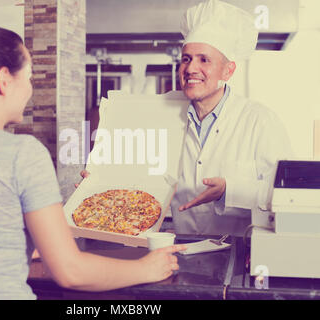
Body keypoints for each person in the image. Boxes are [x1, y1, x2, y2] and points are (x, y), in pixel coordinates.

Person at [0, 26, 185, 300]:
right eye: (28, 77)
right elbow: (70, 272)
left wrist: (26, 244)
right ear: (4, 80)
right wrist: (146, 268)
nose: (30, 89)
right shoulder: (22, 153)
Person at [79, 0, 293, 237]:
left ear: (228, 71)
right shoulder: (163, 112)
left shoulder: (260, 121)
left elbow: (287, 194)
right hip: (182, 250)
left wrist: (229, 190)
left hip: (241, 254)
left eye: (204, 59)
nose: (191, 68)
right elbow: (135, 174)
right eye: (186, 59)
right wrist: (101, 184)